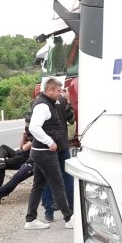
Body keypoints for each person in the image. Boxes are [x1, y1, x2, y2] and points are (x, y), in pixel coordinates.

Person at [23, 77, 74, 230]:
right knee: (58, 185)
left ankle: (30, 219)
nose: (60, 94)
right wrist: (50, 142)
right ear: (50, 90)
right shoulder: (43, 106)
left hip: (39, 152)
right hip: (45, 152)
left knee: (38, 185)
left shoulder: (46, 103)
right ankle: (68, 218)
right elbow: (33, 127)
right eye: (58, 91)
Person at [40, 90, 75, 222]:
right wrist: (68, 101)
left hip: (46, 146)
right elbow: (71, 120)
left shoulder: (37, 102)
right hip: (62, 145)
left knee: (46, 179)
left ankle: (49, 213)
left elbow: (29, 126)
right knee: (67, 177)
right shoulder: (63, 101)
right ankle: (71, 210)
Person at [0, 140, 34, 204]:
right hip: (22, 154)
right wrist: (24, 139)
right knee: (3, 149)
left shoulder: (37, 135)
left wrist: (26, 141)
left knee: (17, 177)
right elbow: (21, 147)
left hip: (27, 159)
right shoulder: (32, 135)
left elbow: (24, 148)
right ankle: (1, 160)